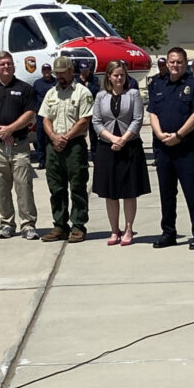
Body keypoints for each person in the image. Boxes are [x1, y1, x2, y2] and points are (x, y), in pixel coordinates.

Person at [148, 46, 194, 250]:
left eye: (179, 62)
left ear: (186, 64)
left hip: (186, 148)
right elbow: (153, 113)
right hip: (163, 147)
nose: (175, 65)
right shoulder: (157, 84)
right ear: (167, 63)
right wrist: (159, 134)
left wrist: (179, 135)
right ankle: (168, 233)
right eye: (172, 61)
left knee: (193, 192)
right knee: (167, 193)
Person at [0, 51, 39, 240]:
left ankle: (28, 225)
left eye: (9, 63)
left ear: (14, 66)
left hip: (20, 144)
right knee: (1, 186)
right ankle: (7, 224)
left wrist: (10, 129)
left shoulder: (25, 88)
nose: (6, 67)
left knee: (23, 185)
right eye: (2, 64)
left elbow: (30, 113)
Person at [92, 60, 150, 246]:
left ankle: (128, 229)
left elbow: (137, 119)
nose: (119, 78)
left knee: (128, 191)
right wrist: (112, 138)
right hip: (106, 147)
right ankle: (114, 230)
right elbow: (96, 122)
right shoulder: (101, 96)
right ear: (108, 76)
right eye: (116, 75)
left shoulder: (133, 94)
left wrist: (123, 139)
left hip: (130, 146)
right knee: (110, 192)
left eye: (122, 75)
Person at [40, 56, 95, 243]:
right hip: (54, 146)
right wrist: (54, 137)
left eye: (63, 73)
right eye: (57, 73)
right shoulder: (51, 94)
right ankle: (59, 226)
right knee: (56, 187)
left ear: (72, 71)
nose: (59, 77)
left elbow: (84, 120)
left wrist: (66, 137)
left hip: (74, 146)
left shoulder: (82, 92)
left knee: (78, 185)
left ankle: (78, 226)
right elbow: (45, 118)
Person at [31, 63, 56, 170]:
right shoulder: (37, 83)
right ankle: (42, 161)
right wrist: (35, 110)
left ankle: (54, 161)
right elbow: (33, 98)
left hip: (54, 115)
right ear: (42, 72)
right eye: (45, 70)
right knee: (40, 139)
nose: (47, 72)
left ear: (51, 71)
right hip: (41, 115)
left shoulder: (56, 82)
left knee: (53, 137)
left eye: (48, 70)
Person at [77, 62, 101, 162]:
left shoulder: (94, 79)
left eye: (86, 71)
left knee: (93, 134)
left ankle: (95, 155)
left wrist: (86, 85)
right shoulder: (76, 80)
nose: (85, 73)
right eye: (83, 71)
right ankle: (81, 155)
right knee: (80, 132)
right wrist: (83, 83)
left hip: (92, 109)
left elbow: (94, 91)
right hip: (81, 109)